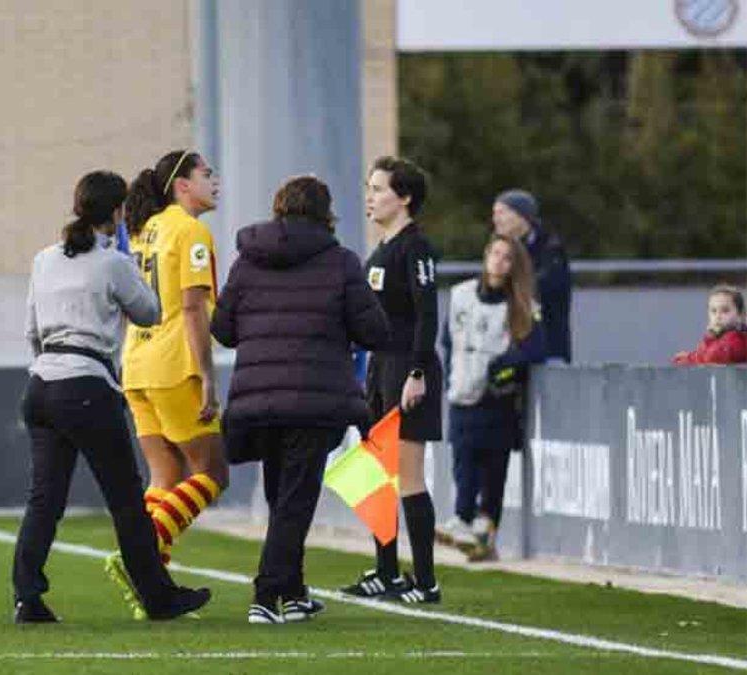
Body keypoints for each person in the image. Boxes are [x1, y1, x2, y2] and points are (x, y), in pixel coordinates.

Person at [13, 170, 212, 623]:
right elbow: (150, 312)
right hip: (87, 386)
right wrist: (131, 266)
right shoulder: (112, 262)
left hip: (41, 386)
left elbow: (31, 330)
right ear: (119, 213)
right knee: (125, 501)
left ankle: (27, 596)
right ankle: (159, 597)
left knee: (44, 500)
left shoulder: (44, 259)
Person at [212, 176, 389, 624]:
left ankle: (293, 594)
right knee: (294, 502)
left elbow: (224, 328)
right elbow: (374, 331)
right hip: (314, 400)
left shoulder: (247, 260)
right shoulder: (341, 262)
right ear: (325, 213)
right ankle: (266, 596)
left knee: (282, 498)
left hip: (257, 400)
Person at [105, 150, 227, 614]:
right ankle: (140, 560)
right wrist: (209, 380)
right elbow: (194, 308)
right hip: (175, 365)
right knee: (213, 474)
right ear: (182, 185)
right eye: (206, 174)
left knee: (166, 477)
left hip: (136, 363)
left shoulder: (141, 230)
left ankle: (149, 595)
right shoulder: (190, 231)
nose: (215, 180)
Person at [341, 156, 442, 604]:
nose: (370, 197)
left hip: (406, 369)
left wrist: (418, 372)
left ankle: (425, 581)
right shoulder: (379, 251)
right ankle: (386, 571)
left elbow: (427, 313)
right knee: (376, 475)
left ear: (404, 198)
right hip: (379, 369)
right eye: (369, 187)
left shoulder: (414, 248)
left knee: (409, 476)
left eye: (379, 189)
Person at [436, 234, 546, 562]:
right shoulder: (460, 296)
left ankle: (485, 530)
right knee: (463, 459)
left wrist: (507, 366)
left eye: (507, 257)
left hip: (497, 398)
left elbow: (536, 348)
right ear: (485, 256)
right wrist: (449, 380)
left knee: (494, 467)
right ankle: (463, 518)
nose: (499, 261)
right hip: (461, 390)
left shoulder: (523, 304)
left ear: (515, 266)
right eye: (495, 254)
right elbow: (447, 341)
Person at [491, 189, 572, 363]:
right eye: (494, 213)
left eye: (502, 212)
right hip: (507, 347)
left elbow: (546, 287)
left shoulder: (550, 248)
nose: (496, 219)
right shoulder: (499, 248)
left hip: (548, 347)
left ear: (522, 216)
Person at [672, 285, 747, 365]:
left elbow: (713, 357)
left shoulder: (738, 339)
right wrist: (689, 357)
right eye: (713, 311)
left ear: (740, 315)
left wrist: (710, 338)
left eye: (725, 311)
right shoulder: (718, 338)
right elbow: (703, 355)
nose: (718, 316)